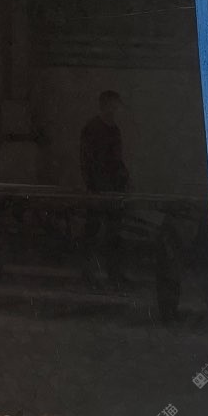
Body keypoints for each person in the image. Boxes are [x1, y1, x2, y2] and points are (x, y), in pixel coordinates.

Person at [80, 91, 129, 288]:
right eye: (112, 106)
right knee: (94, 231)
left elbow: (116, 159)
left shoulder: (113, 130)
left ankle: (113, 273)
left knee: (113, 232)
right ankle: (89, 273)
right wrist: (94, 187)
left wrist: (123, 178)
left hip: (112, 188)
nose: (115, 110)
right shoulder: (93, 129)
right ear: (104, 106)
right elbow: (88, 161)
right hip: (99, 188)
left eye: (116, 106)